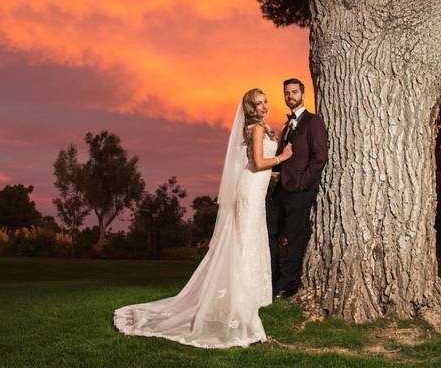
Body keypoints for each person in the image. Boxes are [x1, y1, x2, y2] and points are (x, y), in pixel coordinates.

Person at [113, 88, 293, 348]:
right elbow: (256, 162)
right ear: (251, 108)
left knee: (248, 241)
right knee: (243, 242)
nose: (265, 106)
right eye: (259, 103)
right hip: (250, 191)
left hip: (256, 190)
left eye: (266, 101)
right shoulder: (254, 129)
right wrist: (283, 157)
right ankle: (239, 301)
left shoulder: (262, 127)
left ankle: (244, 296)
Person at [268, 78, 329, 298]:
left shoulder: (313, 122)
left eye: (294, 92)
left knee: (294, 237)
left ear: (302, 94)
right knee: (269, 231)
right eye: (287, 93)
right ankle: (272, 279)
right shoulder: (286, 125)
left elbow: (320, 157)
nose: (290, 96)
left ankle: (288, 285)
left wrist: (304, 183)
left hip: (300, 190)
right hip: (280, 190)